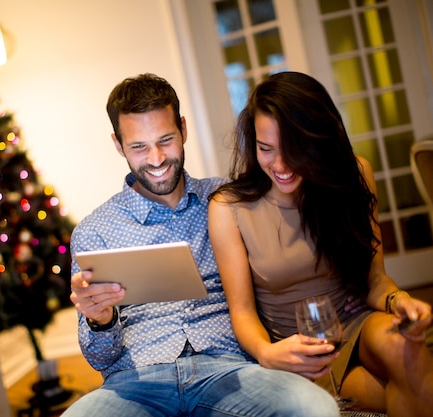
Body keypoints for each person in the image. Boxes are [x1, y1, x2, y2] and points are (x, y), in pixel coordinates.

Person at [63, 73, 339, 417]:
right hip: (134, 384)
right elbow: (99, 358)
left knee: (313, 407)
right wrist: (100, 321)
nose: (157, 159)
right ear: (118, 145)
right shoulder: (95, 231)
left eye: (166, 140)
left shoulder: (228, 200)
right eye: (138, 147)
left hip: (230, 371)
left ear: (183, 129)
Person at [208, 71, 433, 416]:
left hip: (355, 323)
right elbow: (242, 312)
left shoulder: (353, 175)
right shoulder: (229, 208)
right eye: (266, 149)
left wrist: (398, 300)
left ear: (319, 140)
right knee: (416, 388)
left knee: (406, 347)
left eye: (294, 150)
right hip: (294, 349)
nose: (280, 165)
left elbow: (375, 281)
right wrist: (268, 354)